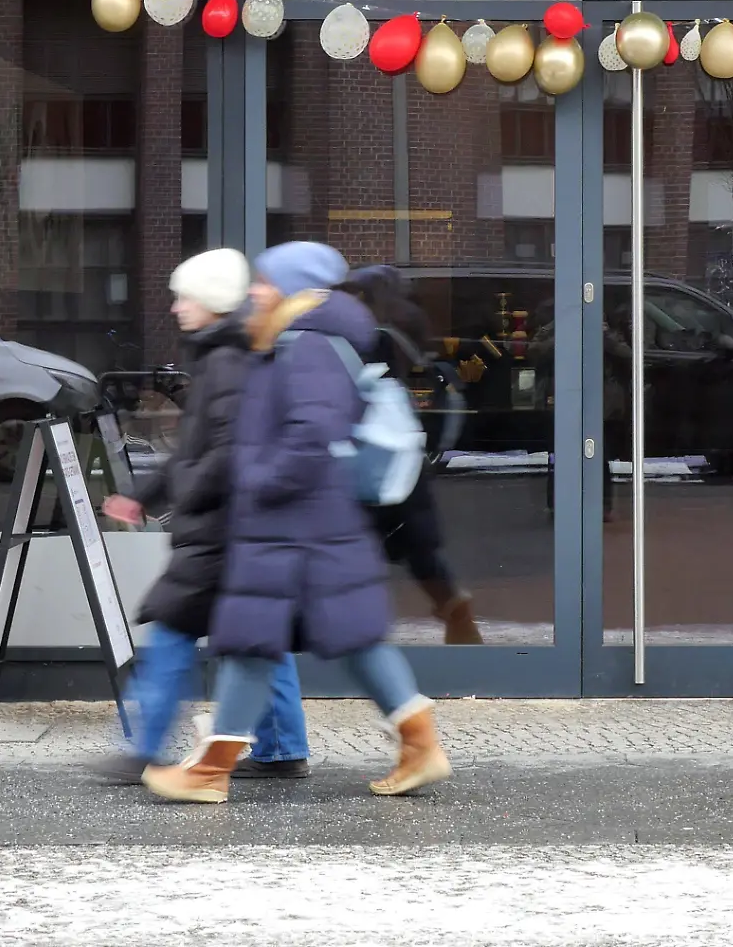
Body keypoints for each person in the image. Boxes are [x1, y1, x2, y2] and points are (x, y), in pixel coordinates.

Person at [142, 241, 450, 805]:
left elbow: (312, 433)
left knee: (258, 641)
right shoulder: (293, 340)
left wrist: (257, 478)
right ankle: (418, 742)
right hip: (304, 523)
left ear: (293, 289)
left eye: (265, 281)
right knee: (317, 640)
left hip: (297, 522)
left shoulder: (309, 345)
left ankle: (211, 770)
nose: (255, 290)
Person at [99, 249, 310, 783]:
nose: (174, 308)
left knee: (171, 630)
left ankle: (144, 750)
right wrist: (145, 494)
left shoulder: (228, 363)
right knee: (257, 640)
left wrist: (184, 496)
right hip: (236, 529)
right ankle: (284, 749)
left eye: (183, 296)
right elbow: (196, 449)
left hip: (220, 531)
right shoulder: (226, 357)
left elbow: (223, 452)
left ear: (211, 300)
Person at [336, 264, 482, 646]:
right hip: (399, 449)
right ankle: (456, 613)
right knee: (418, 547)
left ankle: (360, 635)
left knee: (354, 543)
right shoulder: (404, 321)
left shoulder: (373, 332)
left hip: (374, 450)